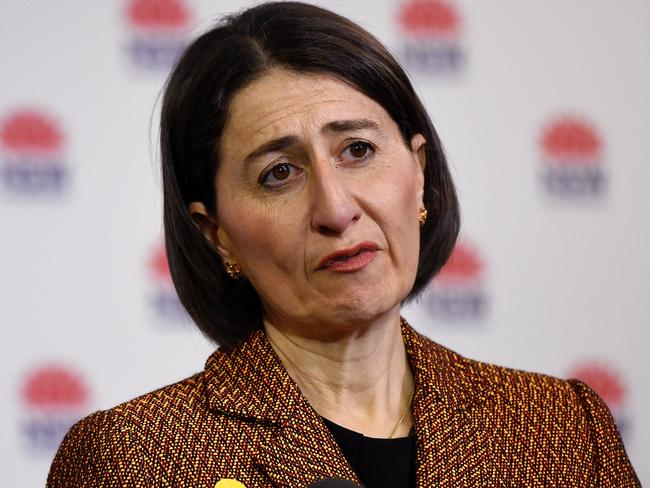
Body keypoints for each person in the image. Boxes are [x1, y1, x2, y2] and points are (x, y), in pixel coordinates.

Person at [47, 2, 639, 487]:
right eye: (279, 173)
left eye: (357, 150)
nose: (335, 209)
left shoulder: (562, 428)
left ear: (419, 173)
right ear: (217, 234)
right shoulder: (128, 462)